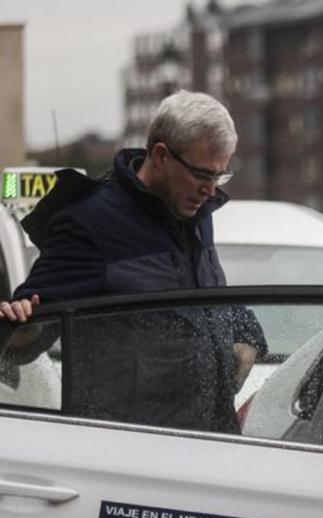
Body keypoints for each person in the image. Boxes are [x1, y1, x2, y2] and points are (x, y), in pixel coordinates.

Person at [0, 90, 265, 432]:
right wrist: (23, 323)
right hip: (130, 452)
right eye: (202, 175)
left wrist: (248, 336)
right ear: (160, 154)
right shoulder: (89, 224)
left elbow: (207, 298)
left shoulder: (195, 213)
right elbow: (28, 330)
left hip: (209, 444)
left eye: (220, 176)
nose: (211, 191)